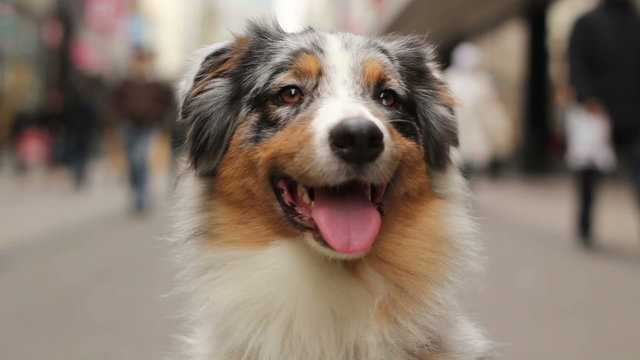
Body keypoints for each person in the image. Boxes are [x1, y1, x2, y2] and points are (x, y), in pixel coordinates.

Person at [568, 0, 640, 245]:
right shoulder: (587, 22)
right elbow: (576, 64)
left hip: (631, 114)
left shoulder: (635, 20)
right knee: (589, 172)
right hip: (597, 114)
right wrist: (589, 98)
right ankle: (585, 227)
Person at [114, 48, 173, 213]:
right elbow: (116, 103)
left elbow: (166, 102)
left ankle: (142, 197)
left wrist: (157, 116)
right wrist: (121, 116)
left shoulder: (156, 84)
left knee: (140, 158)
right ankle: (136, 189)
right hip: (129, 125)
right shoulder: (125, 83)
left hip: (147, 125)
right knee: (132, 162)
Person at [444, 43, 512, 181]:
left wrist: (497, 130)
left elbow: (491, 110)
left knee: (468, 167)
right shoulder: (447, 79)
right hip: (454, 132)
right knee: (457, 167)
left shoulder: (482, 81)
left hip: (474, 133)